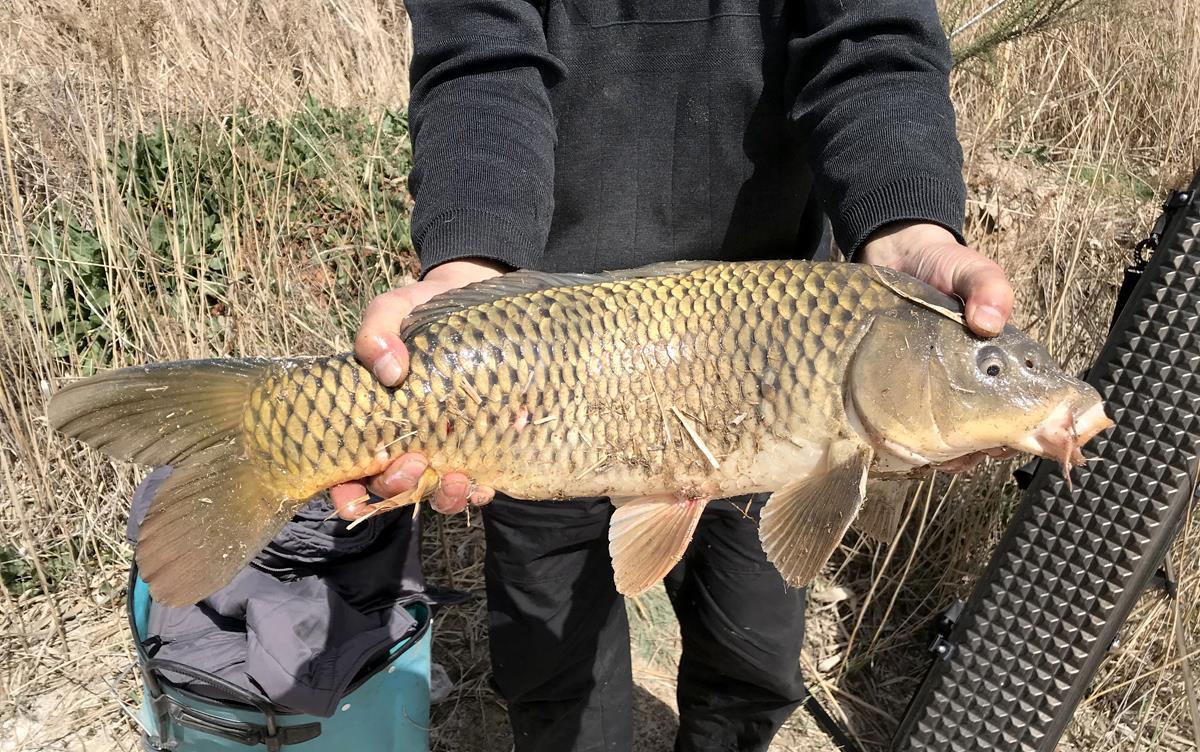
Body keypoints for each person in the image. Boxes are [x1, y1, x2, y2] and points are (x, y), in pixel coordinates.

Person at [331, 2, 1016, 750]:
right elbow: (483, 60)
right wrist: (472, 269)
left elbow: (870, 43)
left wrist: (907, 223)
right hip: (546, 349)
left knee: (755, 667)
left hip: (775, 352)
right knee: (555, 675)